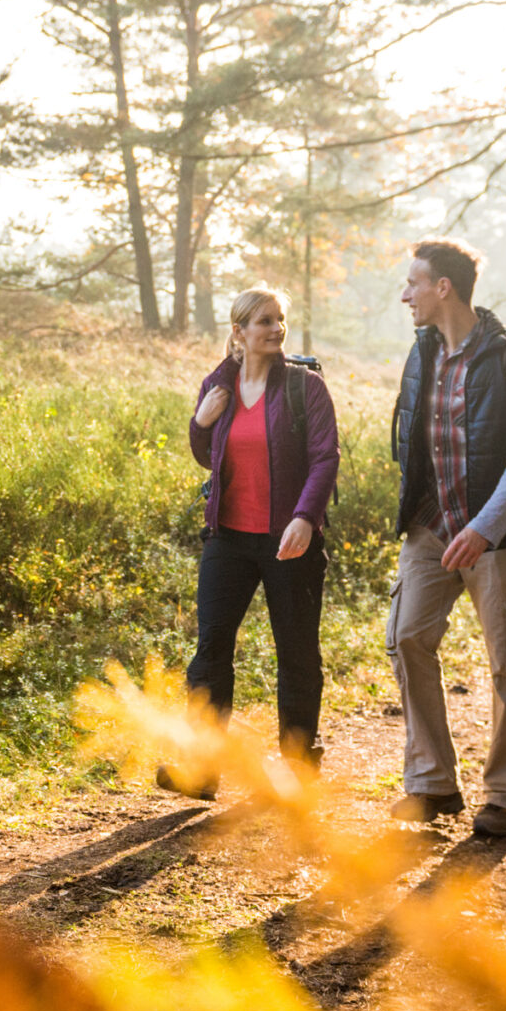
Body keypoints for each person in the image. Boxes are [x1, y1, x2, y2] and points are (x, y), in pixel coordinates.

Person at [386, 239, 506, 838]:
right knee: (406, 637)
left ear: (443, 287)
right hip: (432, 526)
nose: (406, 295)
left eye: (413, 283)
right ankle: (431, 783)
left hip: (499, 538)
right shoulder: (422, 352)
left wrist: (485, 528)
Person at [171, 286, 340, 790]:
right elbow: (210, 456)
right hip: (228, 538)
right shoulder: (217, 385)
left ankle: (298, 763)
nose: (276, 329)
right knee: (211, 650)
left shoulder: (304, 388)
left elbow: (325, 458)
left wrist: (306, 517)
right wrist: (199, 424)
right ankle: (202, 767)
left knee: (297, 651)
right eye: (264, 320)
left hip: (291, 540)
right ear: (239, 330)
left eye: (280, 319)